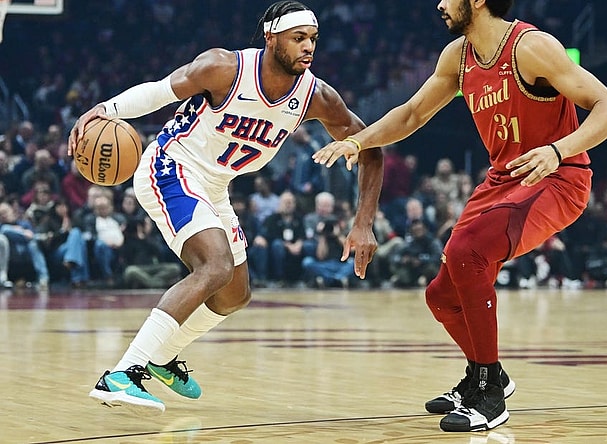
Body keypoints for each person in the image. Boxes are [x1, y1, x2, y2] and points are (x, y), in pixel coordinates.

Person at [313, 0, 607, 432]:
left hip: (557, 178)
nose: (440, 4)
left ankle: (489, 393)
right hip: (503, 180)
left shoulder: (531, 47)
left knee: (465, 252)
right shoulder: (458, 55)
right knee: (441, 297)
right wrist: (358, 142)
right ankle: (489, 373)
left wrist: (558, 151)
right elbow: (412, 113)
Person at [68, 1, 382, 415]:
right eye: (299, 38)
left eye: (313, 40)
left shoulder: (315, 96)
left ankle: (163, 358)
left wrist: (363, 222)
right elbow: (161, 90)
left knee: (235, 294)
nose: (309, 47)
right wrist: (104, 110)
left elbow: (371, 149)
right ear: (271, 38)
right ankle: (123, 373)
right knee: (214, 267)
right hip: (171, 165)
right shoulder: (224, 67)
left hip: (215, 185)